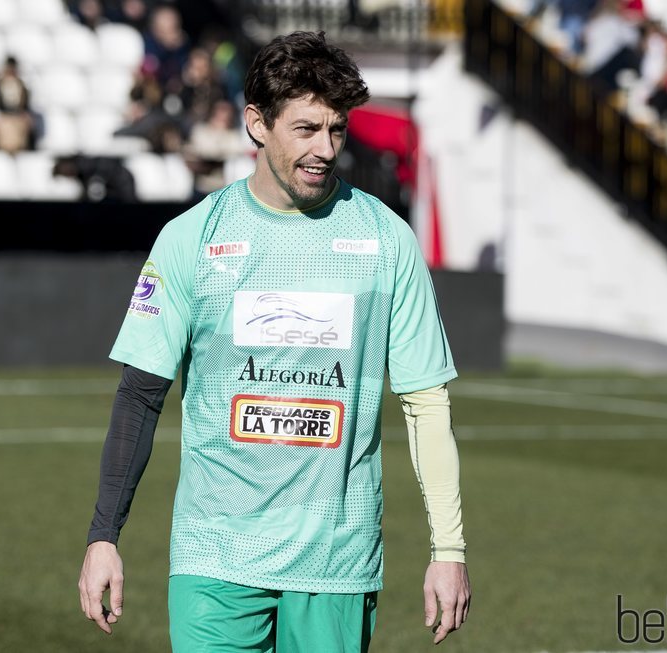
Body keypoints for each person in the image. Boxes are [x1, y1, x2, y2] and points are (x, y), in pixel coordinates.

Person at [77, 30, 471, 651]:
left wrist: (447, 548)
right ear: (256, 123)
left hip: (335, 565)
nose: (324, 149)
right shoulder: (190, 239)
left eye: (336, 130)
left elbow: (426, 400)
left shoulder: (386, 240)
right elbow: (139, 396)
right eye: (305, 129)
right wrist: (104, 536)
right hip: (215, 558)